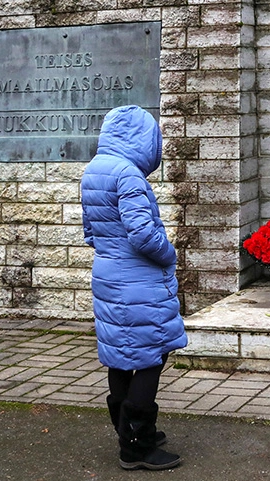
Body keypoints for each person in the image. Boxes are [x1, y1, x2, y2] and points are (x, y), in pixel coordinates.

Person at [81, 105, 187, 471]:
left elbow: (90, 232)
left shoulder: (94, 169)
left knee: (121, 355)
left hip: (109, 274)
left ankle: (128, 431)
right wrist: (168, 252)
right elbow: (143, 234)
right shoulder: (128, 175)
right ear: (144, 139)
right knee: (152, 355)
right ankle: (136, 446)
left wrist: (113, 253)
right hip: (138, 280)